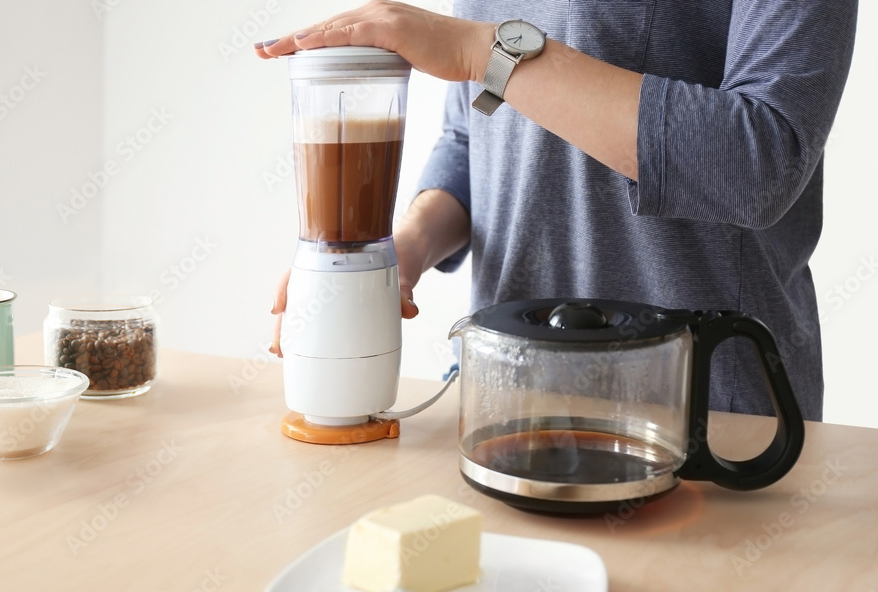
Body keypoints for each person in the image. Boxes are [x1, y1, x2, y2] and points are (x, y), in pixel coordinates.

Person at [256, 0, 858, 421]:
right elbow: (480, 129)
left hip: (709, 420)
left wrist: (483, 48)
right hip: (507, 405)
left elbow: (760, 159)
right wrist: (401, 249)